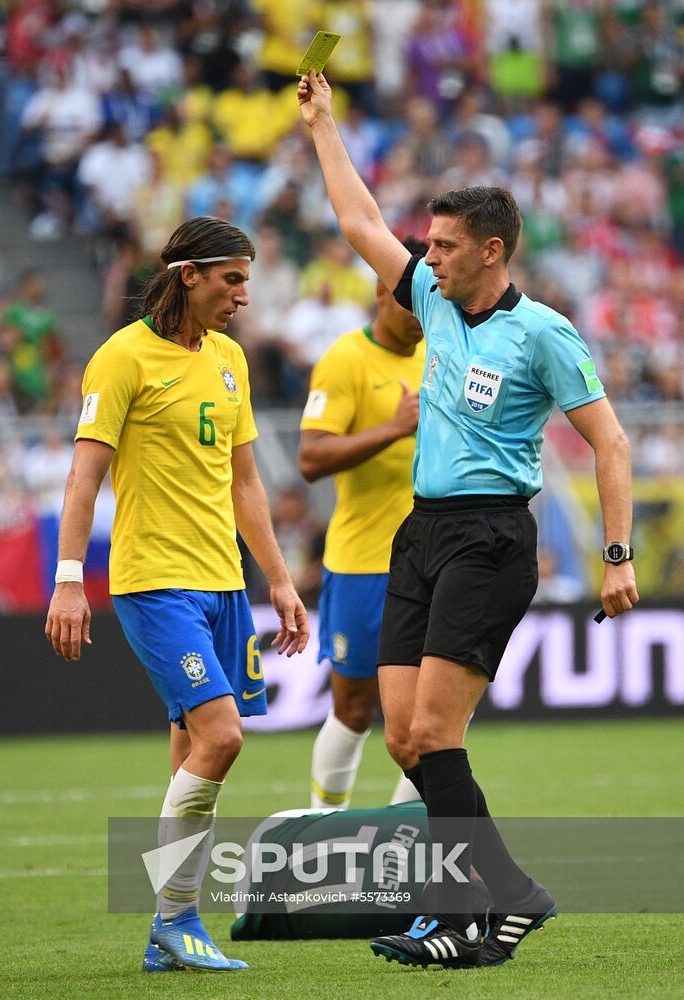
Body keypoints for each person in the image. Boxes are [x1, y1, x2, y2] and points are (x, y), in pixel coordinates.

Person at [297, 70, 639, 969]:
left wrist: (616, 554)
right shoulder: (435, 302)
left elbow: (609, 443)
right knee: (407, 738)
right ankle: (511, 895)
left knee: (436, 736)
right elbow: (362, 225)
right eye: (431, 245)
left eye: (446, 245)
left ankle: (464, 915)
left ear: (493, 250)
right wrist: (323, 126)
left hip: (489, 538)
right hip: (421, 533)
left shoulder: (545, 335)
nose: (428, 256)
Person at [45, 216, 309, 974]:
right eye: (232, 280)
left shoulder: (229, 359)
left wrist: (281, 581)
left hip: (223, 582)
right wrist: (68, 582)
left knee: (192, 754)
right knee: (223, 738)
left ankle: (171, 943)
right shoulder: (122, 357)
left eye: (248, 280)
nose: (244, 297)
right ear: (188, 275)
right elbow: (84, 478)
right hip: (154, 582)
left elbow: (246, 480)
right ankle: (176, 918)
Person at [298, 238, 427, 811]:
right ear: (381, 289)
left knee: (430, 723)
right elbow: (311, 458)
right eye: (411, 299)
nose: (423, 313)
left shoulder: (443, 352)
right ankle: (325, 830)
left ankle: (407, 845)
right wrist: (392, 430)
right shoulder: (346, 358)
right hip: (363, 564)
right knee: (354, 709)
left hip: (432, 563)